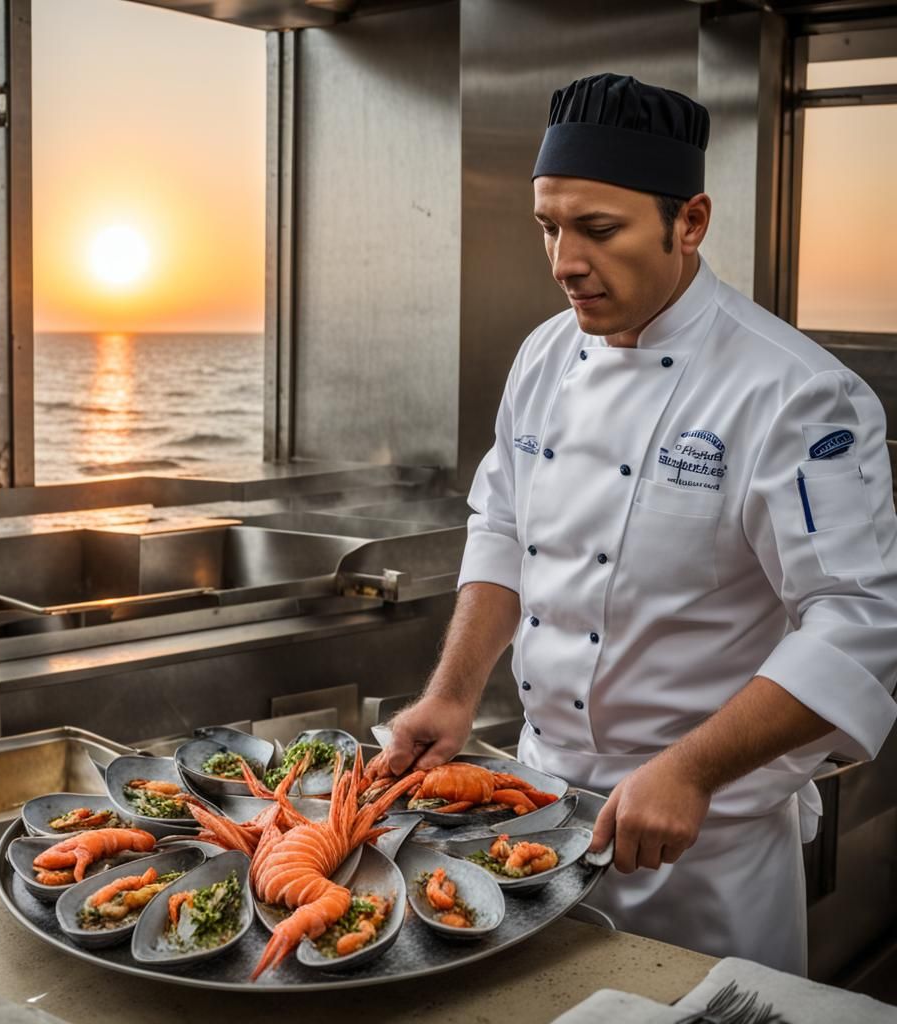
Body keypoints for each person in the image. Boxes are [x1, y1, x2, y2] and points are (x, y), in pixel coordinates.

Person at [378, 73, 897, 974]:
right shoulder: (545, 353)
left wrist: (690, 770)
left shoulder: (793, 392)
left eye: (599, 230)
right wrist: (455, 692)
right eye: (550, 227)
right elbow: (503, 524)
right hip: (533, 819)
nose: (564, 262)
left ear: (689, 222)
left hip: (705, 848)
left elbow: (859, 621)